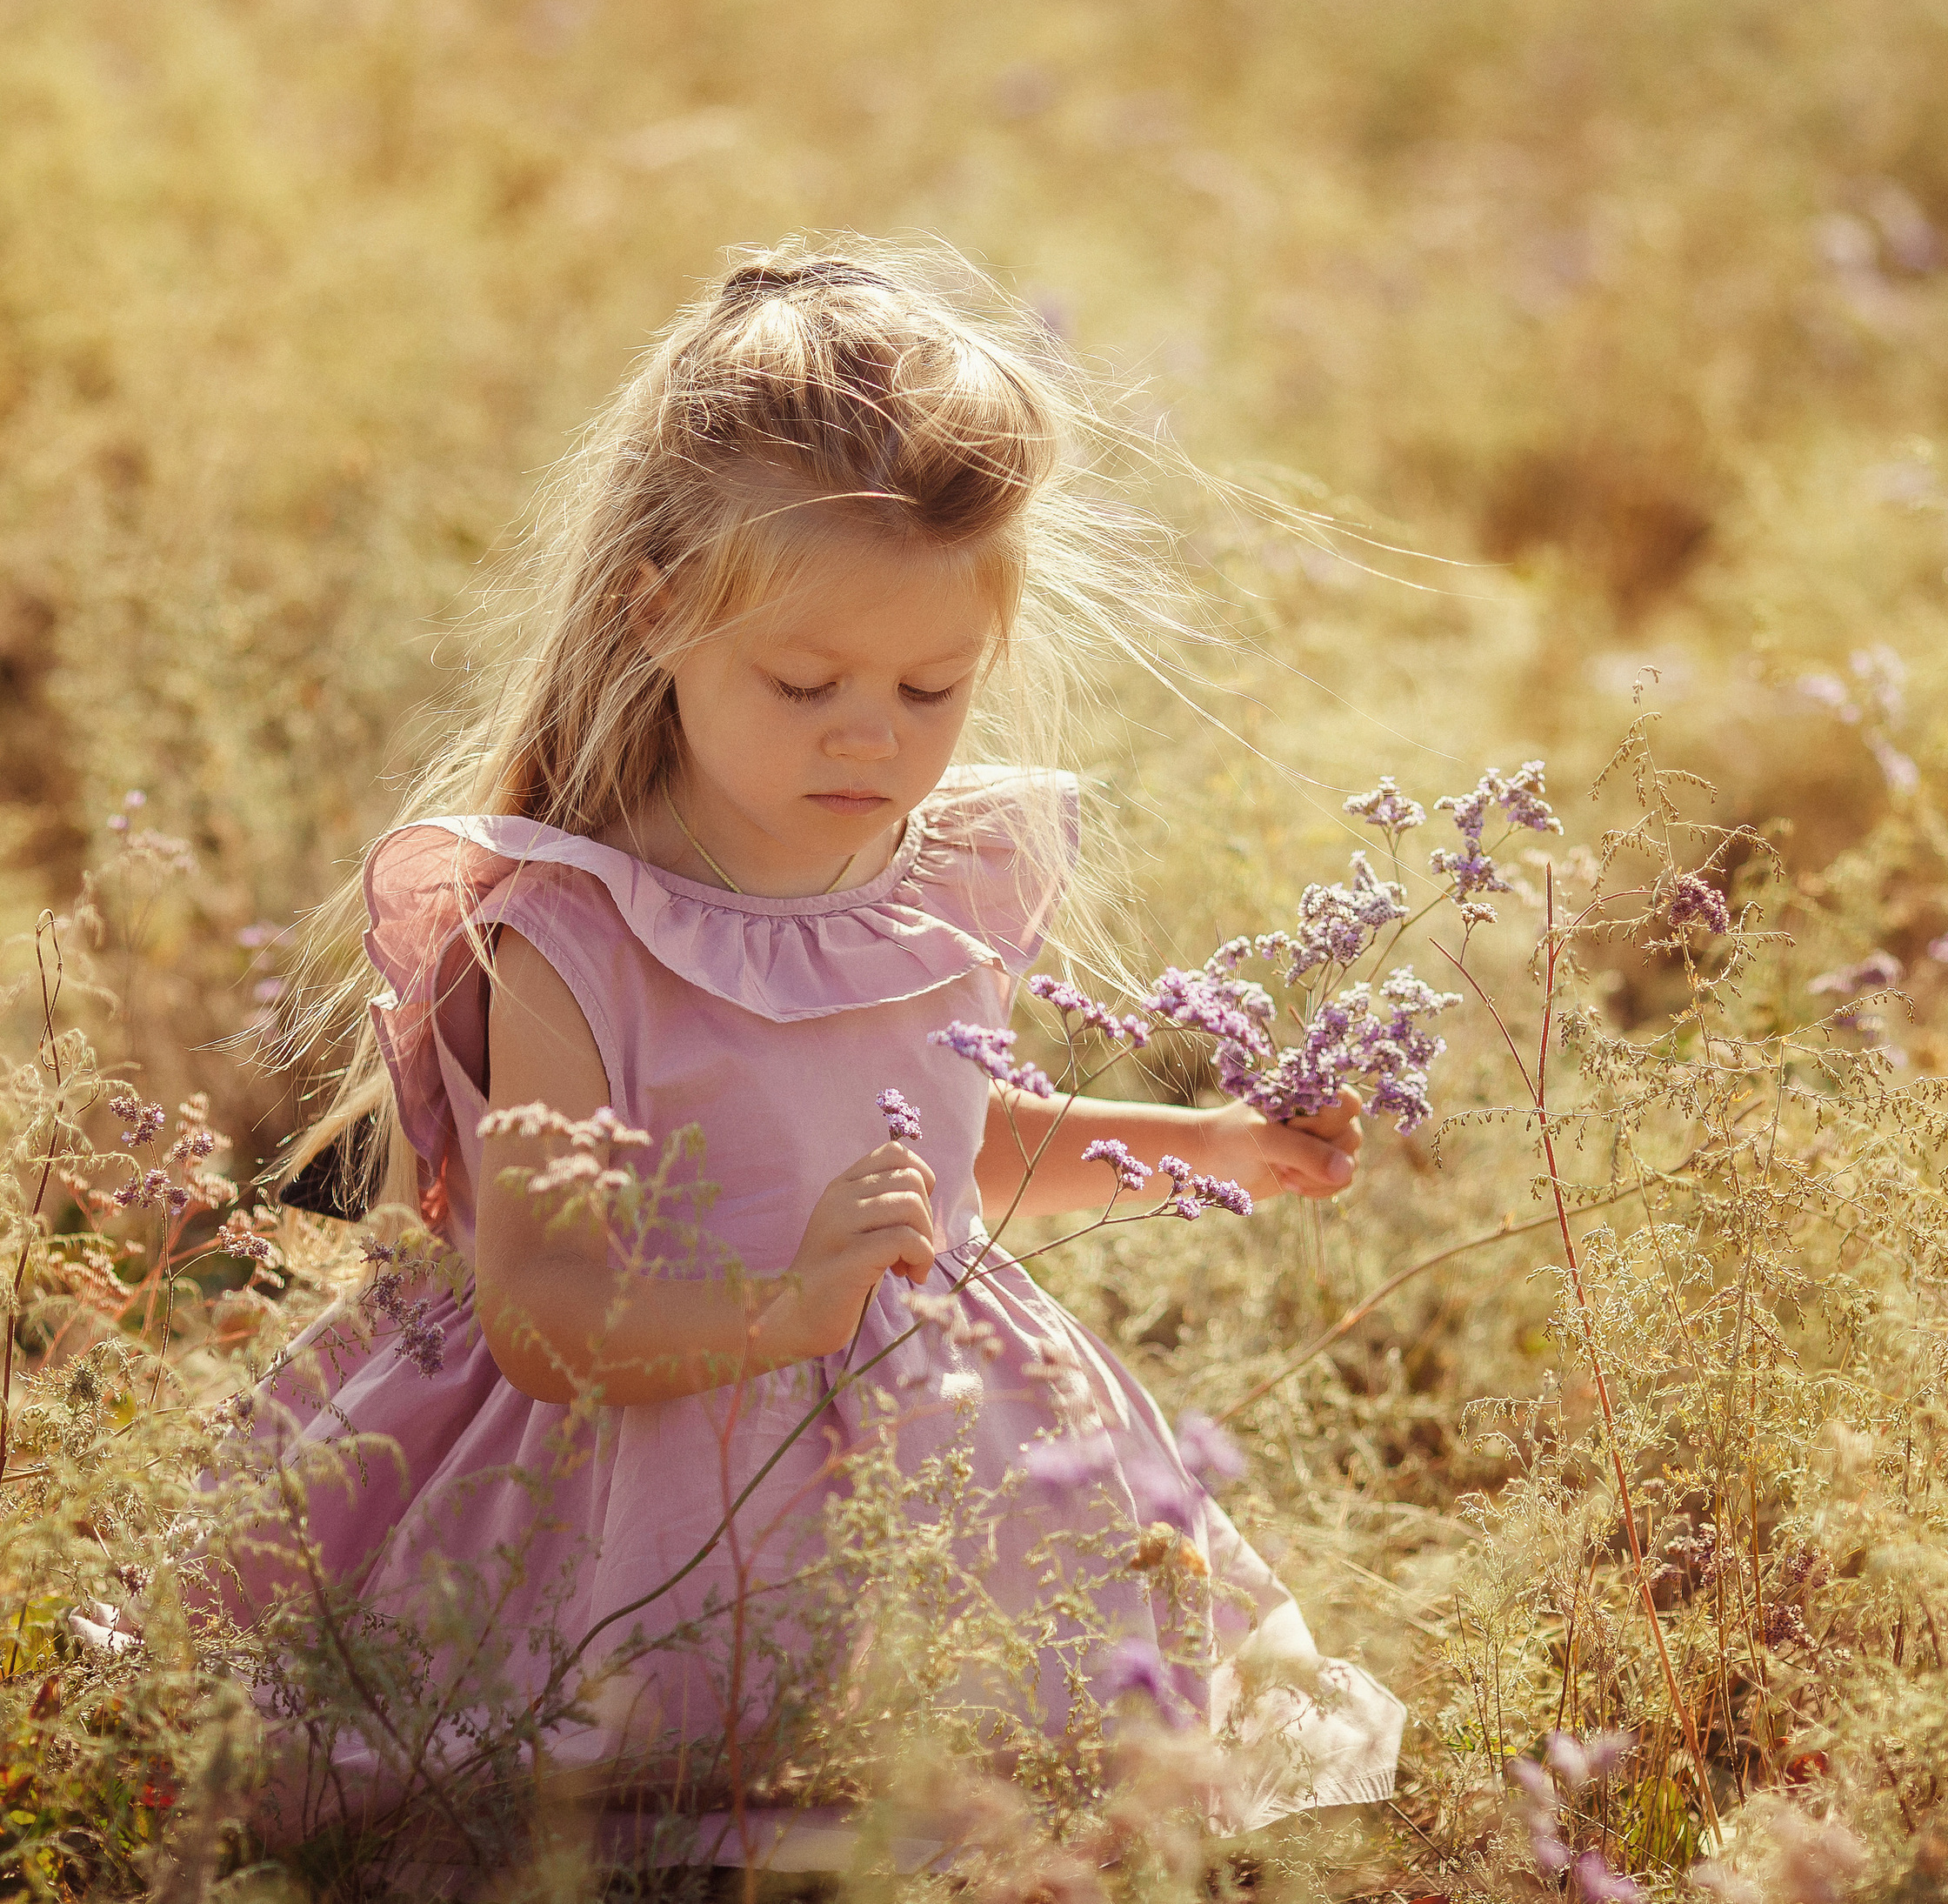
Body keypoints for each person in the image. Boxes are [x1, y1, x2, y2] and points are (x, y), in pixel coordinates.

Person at [223, 244, 1404, 1866]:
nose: (874, 737)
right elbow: (547, 1308)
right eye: (806, 681)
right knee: (594, 1787)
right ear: (659, 612)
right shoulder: (567, 940)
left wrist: (1199, 1148)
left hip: (929, 1459)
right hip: (638, 1468)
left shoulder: (935, 883)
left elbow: (943, 1150)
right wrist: (792, 1310)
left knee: (1032, 1776)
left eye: (934, 688)